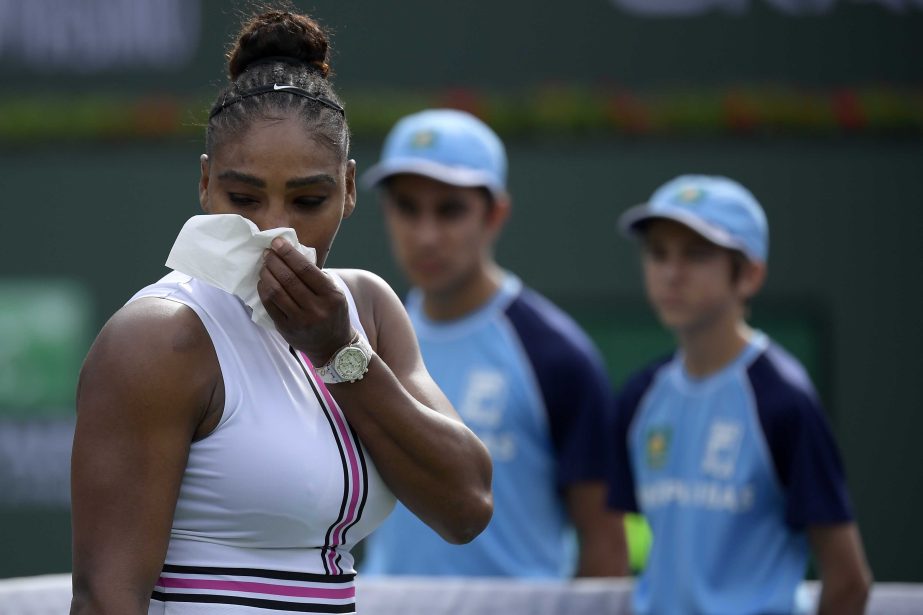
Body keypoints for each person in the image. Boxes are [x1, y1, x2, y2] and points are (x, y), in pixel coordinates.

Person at [69, 10, 493, 615]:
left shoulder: (367, 308)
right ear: (204, 183)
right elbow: (105, 599)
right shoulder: (158, 337)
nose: (275, 230)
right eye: (242, 198)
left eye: (308, 199)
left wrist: (338, 350)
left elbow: (466, 506)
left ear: (348, 189)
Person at [358, 108, 628, 578]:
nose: (425, 235)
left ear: (495, 214)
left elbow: (605, 543)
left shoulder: (556, 356)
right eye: (407, 206)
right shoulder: (363, 342)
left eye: (450, 210)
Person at [607, 174, 873, 614]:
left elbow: (849, 581)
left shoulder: (783, 400)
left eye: (696, 254)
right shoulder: (639, 396)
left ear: (749, 274)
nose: (672, 273)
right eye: (657, 253)